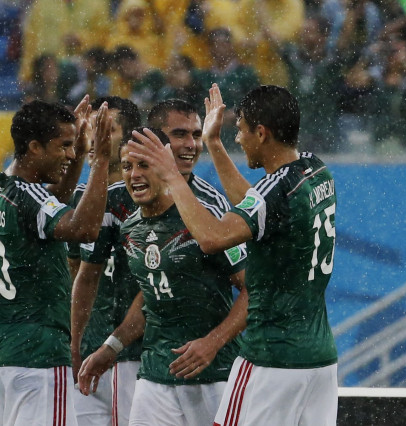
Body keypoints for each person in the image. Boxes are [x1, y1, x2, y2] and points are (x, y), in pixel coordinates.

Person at [125, 84, 338, 425]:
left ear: (262, 133)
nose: (238, 139)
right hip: (319, 359)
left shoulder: (274, 190)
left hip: (270, 357)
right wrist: (213, 144)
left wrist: (171, 175)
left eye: (239, 130)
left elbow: (212, 238)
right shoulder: (315, 170)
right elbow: (259, 207)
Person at [78, 127, 248, 425]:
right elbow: (151, 298)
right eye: (128, 166)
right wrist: (110, 348)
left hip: (213, 374)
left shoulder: (207, 221)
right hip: (155, 373)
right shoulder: (130, 229)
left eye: (144, 164)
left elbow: (253, 290)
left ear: (167, 166)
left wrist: (211, 343)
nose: (134, 175)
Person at [0, 97, 112, 425]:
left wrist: (74, 150)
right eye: (63, 146)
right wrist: (100, 161)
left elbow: (50, 203)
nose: (72, 154)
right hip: (38, 351)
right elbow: (85, 229)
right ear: (34, 147)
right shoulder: (29, 198)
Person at [70, 96, 142, 426]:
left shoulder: (151, 202)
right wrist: (74, 341)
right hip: (87, 351)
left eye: (107, 129)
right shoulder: (75, 203)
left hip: (134, 354)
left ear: (129, 139)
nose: (97, 138)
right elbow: (73, 276)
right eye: (91, 130)